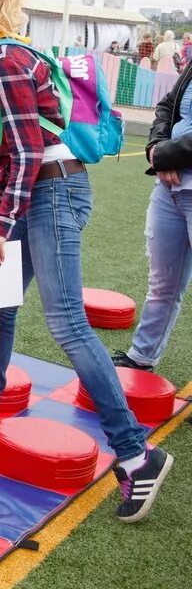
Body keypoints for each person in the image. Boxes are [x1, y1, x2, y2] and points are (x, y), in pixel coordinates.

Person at [0, 0, 172, 524]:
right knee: (1, 300)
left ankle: (137, 453)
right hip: (39, 188)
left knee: (66, 321)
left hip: (53, 193)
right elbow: (10, 152)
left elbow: (26, 150)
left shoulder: (1, 60)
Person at [113, 63, 192, 373]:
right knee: (163, 283)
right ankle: (142, 357)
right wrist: (155, 147)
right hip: (171, 188)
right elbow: (168, 106)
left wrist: (167, 155)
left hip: (175, 170)